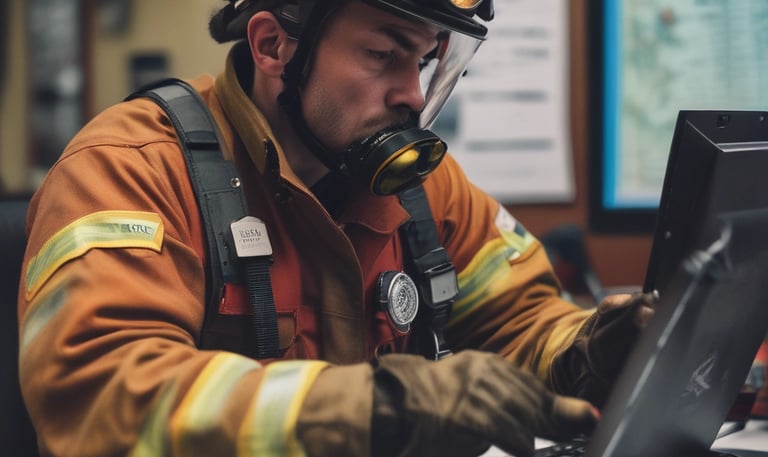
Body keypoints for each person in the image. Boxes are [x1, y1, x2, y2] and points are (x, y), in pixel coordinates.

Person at [17, 1, 657, 456]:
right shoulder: (129, 170)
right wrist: (376, 409)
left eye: (427, 60)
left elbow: (518, 320)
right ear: (274, 46)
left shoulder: (419, 186)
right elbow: (100, 395)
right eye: (383, 54)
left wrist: (586, 350)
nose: (412, 93)